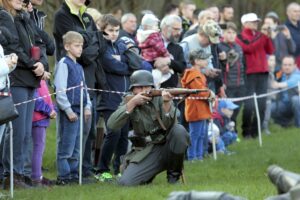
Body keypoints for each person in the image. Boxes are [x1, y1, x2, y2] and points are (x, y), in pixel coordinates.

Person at [107, 70, 189, 186]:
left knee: (179, 131)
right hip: (145, 151)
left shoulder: (160, 98)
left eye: (147, 87)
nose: (143, 90)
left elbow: (171, 126)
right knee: (125, 183)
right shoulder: (129, 101)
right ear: (133, 90)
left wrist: (166, 104)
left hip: (166, 147)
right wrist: (132, 104)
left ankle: (173, 177)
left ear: (152, 87)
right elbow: (112, 125)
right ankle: (147, 176)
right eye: (139, 87)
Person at [0, 0, 47, 188]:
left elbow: (39, 43)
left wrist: (42, 63)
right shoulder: (5, 16)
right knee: (17, 132)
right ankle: (11, 175)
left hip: (30, 78)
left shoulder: (23, 17)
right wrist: (32, 64)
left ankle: (21, 173)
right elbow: (12, 47)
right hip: (17, 77)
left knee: (26, 132)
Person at [96, 14, 131, 181]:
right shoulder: (103, 47)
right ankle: (101, 169)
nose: (114, 33)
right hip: (109, 99)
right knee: (113, 133)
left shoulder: (120, 46)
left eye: (117, 30)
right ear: (102, 30)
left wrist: (123, 63)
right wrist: (124, 65)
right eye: (110, 30)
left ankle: (119, 168)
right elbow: (112, 65)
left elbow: (131, 64)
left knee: (124, 135)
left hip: (125, 99)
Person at [54, 31, 92, 185]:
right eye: (77, 46)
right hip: (68, 112)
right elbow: (60, 91)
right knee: (66, 146)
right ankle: (64, 176)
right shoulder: (64, 64)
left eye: (81, 46)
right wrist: (68, 110)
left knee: (76, 147)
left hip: (80, 110)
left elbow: (85, 89)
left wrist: (88, 105)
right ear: (67, 46)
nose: (80, 49)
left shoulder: (79, 66)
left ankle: (74, 175)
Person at [236, 13, 274, 139]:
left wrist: (268, 37)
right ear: (245, 23)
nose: (256, 24)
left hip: (263, 73)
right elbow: (249, 48)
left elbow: (270, 50)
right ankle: (246, 132)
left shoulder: (260, 36)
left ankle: (256, 131)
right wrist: (263, 36)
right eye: (253, 22)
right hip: (249, 74)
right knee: (250, 104)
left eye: (256, 22)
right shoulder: (240, 36)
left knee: (262, 103)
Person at [181, 50, 214, 161]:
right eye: (204, 59)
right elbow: (200, 91)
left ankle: (199, 156)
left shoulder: (198, 73)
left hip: (201, 109)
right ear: (196, 61)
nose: (207, 61)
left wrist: (209, 93)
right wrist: (210, 93)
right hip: (195, 109)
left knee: (201, 135)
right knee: (194, 135)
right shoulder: (193, 74)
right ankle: (192, 157)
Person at [218, 22, 246, 127]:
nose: (231, 35)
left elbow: (242, 65)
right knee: (226, 109)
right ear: (223, 33)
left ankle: (233, 129)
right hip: (227, 84)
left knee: (237, 108)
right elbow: (221, 67)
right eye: (228, 32)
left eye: (234, 32)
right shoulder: (219, 47)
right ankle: (226, 130)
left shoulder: (238, 47)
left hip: (240, 83)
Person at [31, 80, 56, 187]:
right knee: (38, 147)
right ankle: (36, 177)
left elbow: (48, 99)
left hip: (42, 118)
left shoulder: (42, 82)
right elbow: (37, 100)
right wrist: (49, 111)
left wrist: (53, 110)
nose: (49, 74)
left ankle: (38, 175)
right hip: (37, 119)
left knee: (39, 147)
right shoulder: (36, 81)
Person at [271, 56, 300, 128]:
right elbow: (274, 80)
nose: (287, 67)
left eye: (290, 65)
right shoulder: (281, 73)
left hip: (296, 103)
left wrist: (274, 84)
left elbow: (283, 84)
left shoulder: (297, 75)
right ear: (282, 66)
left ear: (295, 66)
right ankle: (286, 123)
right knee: (270, 108)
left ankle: (298, 125)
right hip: (284, 103)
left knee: (296, 100)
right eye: (285, 65)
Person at [262, 55, 276, 134]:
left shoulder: (271, 72)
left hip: (270, 97)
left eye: (274, 60)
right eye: (270, 60)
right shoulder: (266, 74)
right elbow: (270, 86)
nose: (273, 62)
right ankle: (264, 128)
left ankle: (265, 126)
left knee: (268, 113)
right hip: (266, 97)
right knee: (266, 114)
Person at [285, 2, 300, 68]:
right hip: (293, 64)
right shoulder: (284, 28)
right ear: (288, 13)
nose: (298, 14)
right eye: (295, 11)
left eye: (299, 11)